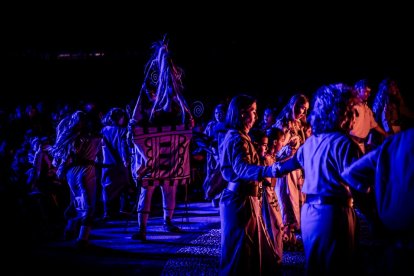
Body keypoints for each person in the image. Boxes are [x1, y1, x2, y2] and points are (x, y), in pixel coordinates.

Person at [273, 84, 366, 275]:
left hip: (310, 214)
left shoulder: (311, 143)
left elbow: (284, 166)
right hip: (334, 214)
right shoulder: (345, 144)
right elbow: (360, 186)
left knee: (315, 267)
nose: (354, 118)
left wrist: (261, 169)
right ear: (342, 113)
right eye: (352, 112)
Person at [129, 36, 194, 241]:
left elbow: (187, 120)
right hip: (152, 157)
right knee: (146, 193)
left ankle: (167, 221)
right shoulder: (145, 108)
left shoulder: (173, 105)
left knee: (169, 189)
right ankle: (142, 228)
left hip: (168, 159)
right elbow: (135, 124)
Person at [218, 94, 281, 275]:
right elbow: (241, 168)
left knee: (249, 249)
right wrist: (269, 171)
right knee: (240, 252)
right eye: (253, 111)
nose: (256, 115)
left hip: (244, 199)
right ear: (242, 114)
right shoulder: (237, 139)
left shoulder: (240, 137)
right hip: (239, 201)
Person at [341, 127, 414, 274]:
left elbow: (351, 174)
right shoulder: (398, 141)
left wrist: (372, 215)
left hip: (395, 234)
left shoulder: (395, 142)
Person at [49, 110, 102, 248]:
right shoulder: (92, 137)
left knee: (76, 202)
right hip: (85, 171)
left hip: (71, 173)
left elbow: (66, 158)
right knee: (88, 204)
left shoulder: (72, 138)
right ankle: (82, 238)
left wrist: (61, 170)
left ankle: (69, 230)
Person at [272, 93, 310, 246]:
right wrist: (288, 150)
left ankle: (291, 234)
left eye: (305, 109)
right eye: (300, 107)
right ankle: (285, 235)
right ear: (293, 105)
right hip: (285, 169)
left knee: (297, 200)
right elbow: (275, 151)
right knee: (286, 200)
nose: (302, 112)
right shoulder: (282, 124)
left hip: (297, 168)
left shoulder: (299, 124)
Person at [100, 107, 134, 220]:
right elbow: (123, 146)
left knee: (107, 187)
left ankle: (107, 212)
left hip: (106, 163)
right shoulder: (121, 131)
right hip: (119, 163)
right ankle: (123, 209)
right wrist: (126, 160)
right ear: (120, 118)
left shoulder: (103, 130)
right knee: (124, 186)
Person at [349, 79, 388, 154]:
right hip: (352, 145)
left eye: (369, 92)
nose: (368, 94)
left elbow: (374, 125)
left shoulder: (367, 108)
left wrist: (386, 134)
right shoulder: (352, 107)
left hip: (361, 144)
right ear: (358, 90)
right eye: (366, 91)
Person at [202, 103, 227, 207]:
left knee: (222, 177)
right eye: (216, 113)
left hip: (223, 156)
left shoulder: (228, 125)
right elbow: (204, 139)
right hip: (212, 156)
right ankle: (212, 196)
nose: (218, 115)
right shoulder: (211, 125)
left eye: (220, 113)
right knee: (211, 176)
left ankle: (220, 196)